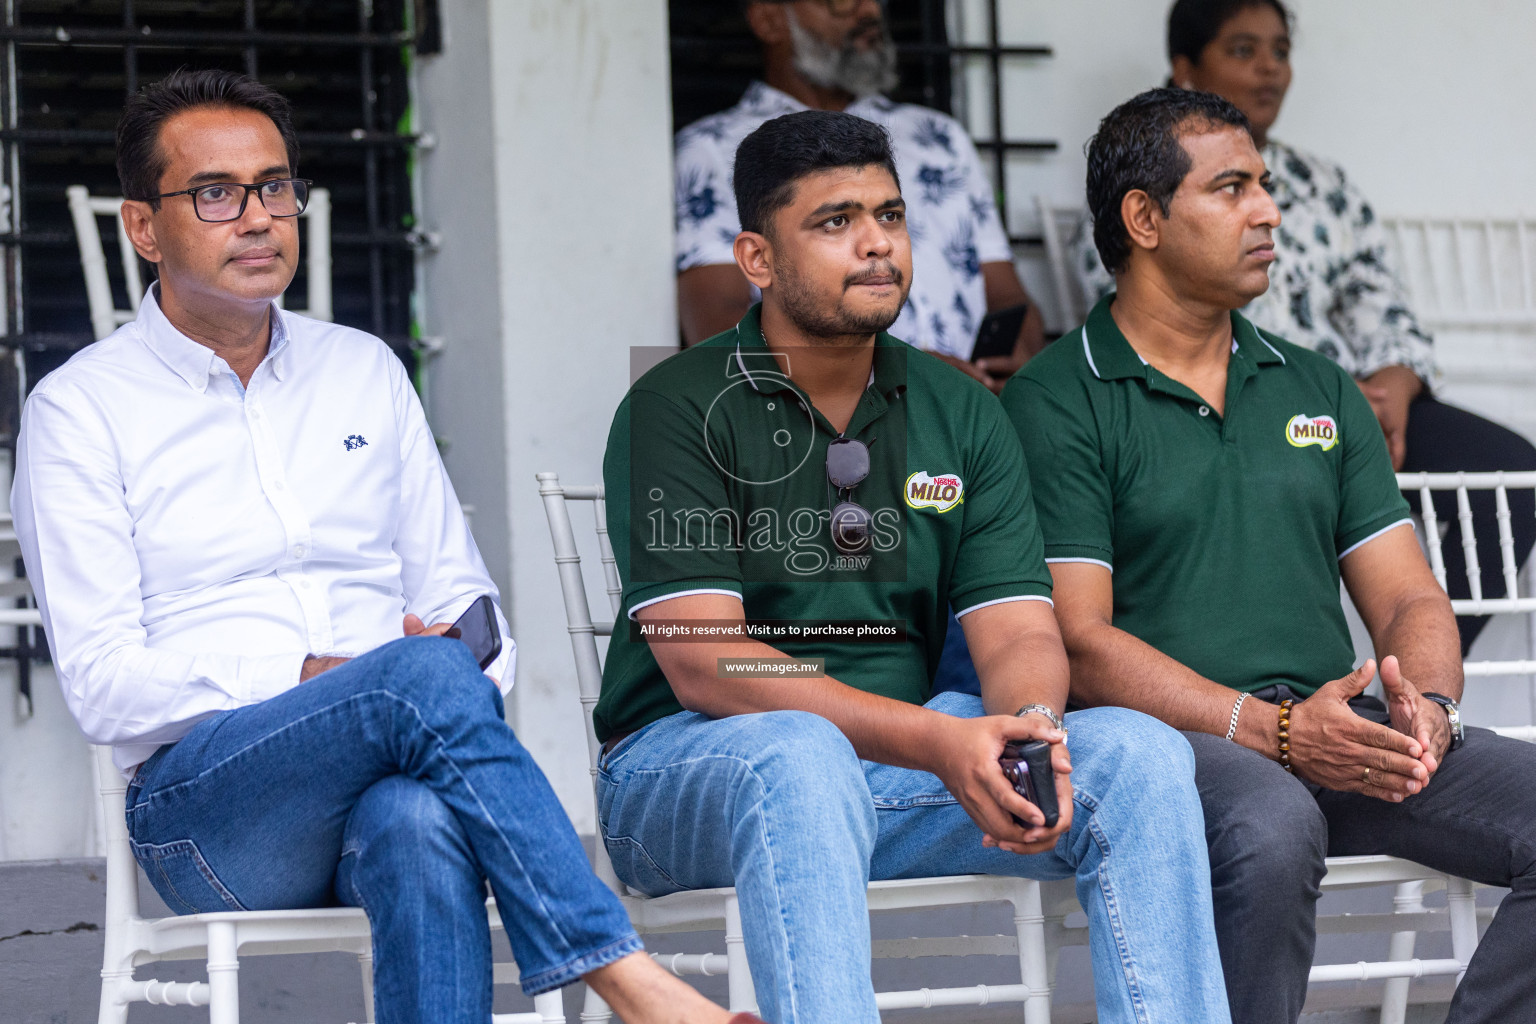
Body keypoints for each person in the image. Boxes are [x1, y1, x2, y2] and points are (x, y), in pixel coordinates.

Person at [11, 69, 761, 1024]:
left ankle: (605, 965)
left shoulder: (364, 370)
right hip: (208, 813)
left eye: (276, 187)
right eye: (216, 193)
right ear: (143, 228)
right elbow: (104, 684)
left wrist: (433, 684)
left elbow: (471, 616)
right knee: (413, 676)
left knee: (415, 811)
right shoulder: (80, 410)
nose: (258, 218)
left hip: (396, 776)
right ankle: (619, 972)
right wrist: (324, 677)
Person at [597, 108, 1231, 1024]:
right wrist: (935, 740)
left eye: (890, 217)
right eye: (834, 221)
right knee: (800, 755)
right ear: (757, 259)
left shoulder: (959, 409)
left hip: (895, 767)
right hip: (685, 775)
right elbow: (706, 663)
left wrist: (1030, 731)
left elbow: (1016, 625)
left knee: (1138, 755)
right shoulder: (678, 404)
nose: (875, 245)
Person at [1009, 86, 1536, 1024]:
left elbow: (1410, 597)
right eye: (1232, 188)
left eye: (1265, 185)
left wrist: (1429, 709)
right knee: (1275, 824)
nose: (1270, 210)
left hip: (1331, 730)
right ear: (1145, 220)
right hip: (1164, 745)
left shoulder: (1316, 385)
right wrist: (1275, 732)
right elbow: (1079, 642)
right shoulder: (1058, 399)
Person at [1073, 0, 1536, 654]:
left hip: (1358, 400)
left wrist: (1389, 389)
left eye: (1280, 52)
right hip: (1236, 397)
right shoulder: (1136, 198)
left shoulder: (1325, 184)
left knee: (1508, 469)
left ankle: (1412, 675)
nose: (1268, 69)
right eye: (1242, 50)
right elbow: (1161, 319)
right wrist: (1323, 390)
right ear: (1184, 66)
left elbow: (1381, 301)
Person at [674, 0, 1045, 393]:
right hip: (822, 429)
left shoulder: (939, 137)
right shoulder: (714, 151)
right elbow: (716, 324)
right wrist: (900, 372)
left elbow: (1007, 293)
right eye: (840, 2)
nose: (868, 11)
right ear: (769, 20)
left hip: (968, 415)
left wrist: (1016, 351)